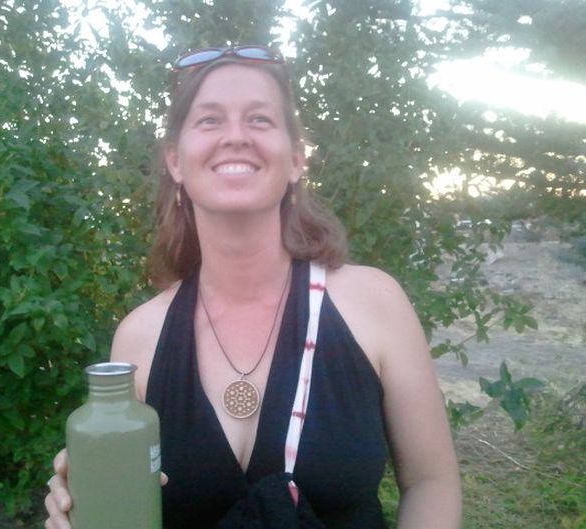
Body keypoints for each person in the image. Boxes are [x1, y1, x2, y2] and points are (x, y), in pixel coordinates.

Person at [44, 45, 462, 529]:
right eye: (210, 120)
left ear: (296, 160)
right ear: (176, 161)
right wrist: (86, 505)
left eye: (260, 120)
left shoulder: (374, 303)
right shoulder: (139, 336)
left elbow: (431, 482)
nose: (236, 136)